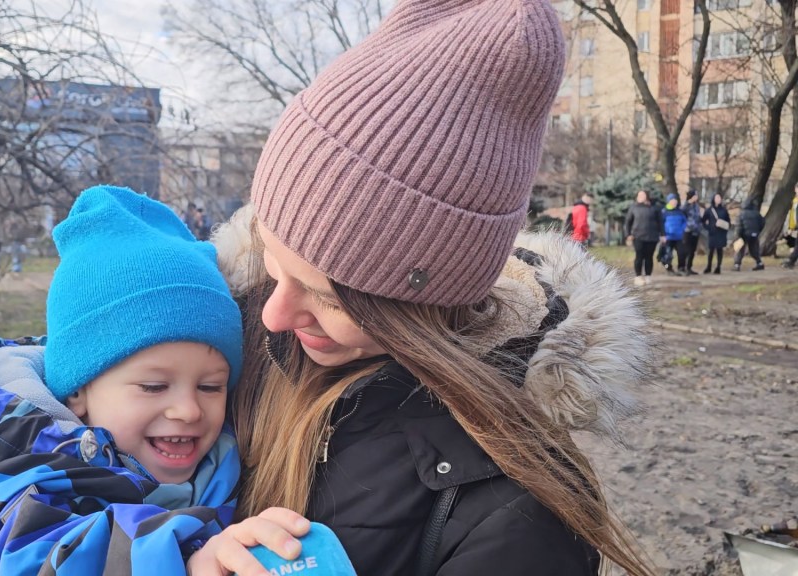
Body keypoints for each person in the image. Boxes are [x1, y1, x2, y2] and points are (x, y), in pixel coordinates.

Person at [188, 1, 657, 574]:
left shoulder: (518, 514)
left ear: (423, 303)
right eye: (272, 263)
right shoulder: (216, 346)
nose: (274, 316)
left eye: (331, 298)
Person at [0, 186, 247, 575]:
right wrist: (181, 561)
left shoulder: (223, 462)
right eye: (154, 386)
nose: (188, 410)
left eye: (210, 387)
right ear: (77, 390)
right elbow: (36, 558)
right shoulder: (23, 475)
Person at [625, 189, 665, 286]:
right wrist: (628, 235)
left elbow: (660, 222)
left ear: (647, 196)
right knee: (639, 256)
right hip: (638, 236)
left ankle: (648, 276)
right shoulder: (633, 208)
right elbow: (628, 222)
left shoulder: (654, 208)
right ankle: (638, 276)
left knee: (649, 257)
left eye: (643, 195)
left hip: (652, 236)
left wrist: (663, 235)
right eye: (639, 195)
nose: (641, 197)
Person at [732, 198, 766, 271]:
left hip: (744, 234)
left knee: (740, 250)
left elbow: (739, 226)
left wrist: (738, 236)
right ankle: (759, 263)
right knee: (754, 249)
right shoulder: (757, 213)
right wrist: (757, 231)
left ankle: (737, 265)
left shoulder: (741, 214)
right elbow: (763, 223)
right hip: (754, 234)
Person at [702, 193, 731, 274]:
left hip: (721, 233)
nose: (718, 199)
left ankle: (718, 267)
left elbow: (728, 221)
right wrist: (709, 228)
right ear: (713, 199)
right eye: (717, 198)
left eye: (719, 198)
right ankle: (709, 266)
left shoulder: (724, 210)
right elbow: (703, 221)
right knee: (711, 250)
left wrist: (725, 227)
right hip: (713, 233)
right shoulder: (709, 210)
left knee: (719, 250)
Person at [661, 193, 687, 275]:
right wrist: (663, 234)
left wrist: (682, 229)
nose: (674, 202)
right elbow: (660, 223)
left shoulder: (680, 211)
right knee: (668, 255)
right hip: (668, 237)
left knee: (682, 253)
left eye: (675, 200)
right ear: (669, 201)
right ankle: (669, 268)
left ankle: (681, 268)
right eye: (672, 200)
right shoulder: (664, 212)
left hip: (678, 236)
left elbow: (684, 222)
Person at [681, 190, 703, 275]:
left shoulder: (696, 206)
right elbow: (682, 214)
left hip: (696, 231)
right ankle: (684, 267)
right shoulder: (686, 205)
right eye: (695, 195)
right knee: (687, 250)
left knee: (692, 250)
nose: (697, 197)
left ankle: (689, 267)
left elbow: (698, 217)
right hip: (687, 231)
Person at [782, 191, 798, 269]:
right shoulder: (794, 201)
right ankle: (791, 261)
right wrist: (790, 227)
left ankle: (791, 261)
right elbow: (792, 216)